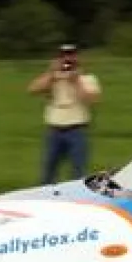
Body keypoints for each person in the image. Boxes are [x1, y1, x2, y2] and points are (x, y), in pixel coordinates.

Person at [28, 44, 102, 184]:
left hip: (77, 130)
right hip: (54, 130)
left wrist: (76, 81)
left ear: (78, 58)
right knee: (48, 171)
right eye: (63, 56)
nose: (67, 60)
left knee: (78, 173)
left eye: (71, 55)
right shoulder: (53, 79)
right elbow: (33, 89)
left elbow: (92, 100)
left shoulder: (88, 78)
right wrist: (51, 73)